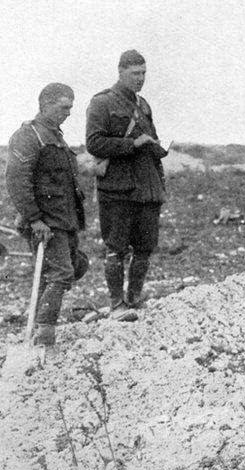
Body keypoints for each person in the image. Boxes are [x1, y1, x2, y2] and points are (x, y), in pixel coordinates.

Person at [85, 50, 168, 321]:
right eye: (135, 74)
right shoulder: (102, 103)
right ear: (120, 71)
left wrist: (156, 148)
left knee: (145, 247)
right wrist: (132, 144)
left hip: (146, 187)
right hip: (118, 188)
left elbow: (150, 139)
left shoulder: (143, 106)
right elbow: (94, 144)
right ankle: (116, 305)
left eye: (144, 73)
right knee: (116, 247)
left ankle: (134, 299)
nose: (141, 79)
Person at [5, 83, 88, 346]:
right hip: (46, 222)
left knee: (74, 267)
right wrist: (33, 219)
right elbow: (17, 180)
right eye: (65, 107)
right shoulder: (29, 136)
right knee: (61, 273)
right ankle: (45, 335)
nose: (69, 113)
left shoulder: (56, 137)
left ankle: (39, 329)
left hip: (64, 220)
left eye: (71, 107)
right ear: (47, 104)